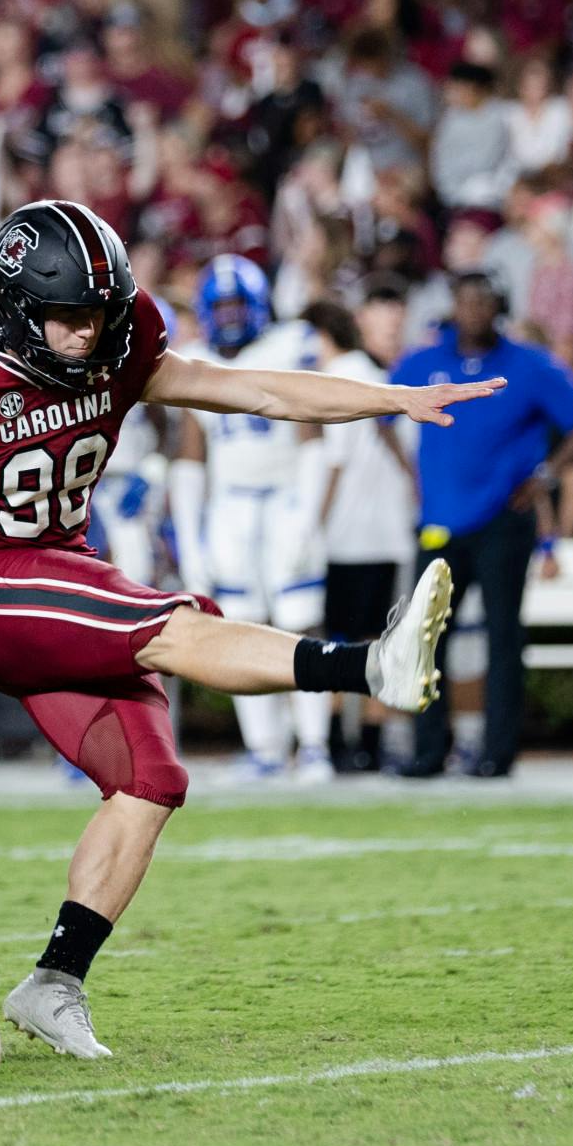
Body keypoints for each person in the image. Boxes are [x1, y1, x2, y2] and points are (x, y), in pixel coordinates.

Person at [0, 201, 499, 1058]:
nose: (90, 334)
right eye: (68, 316)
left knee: (151, 779)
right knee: (167, 622)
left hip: (63, 568)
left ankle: (55, 980)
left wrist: (389, 397)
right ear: (16, 311)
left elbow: (254, 390)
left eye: (101, 312)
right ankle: (366, 666)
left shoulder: (125, 338)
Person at [390, 270, 573, 779]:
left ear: (499, 307)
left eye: (485, 301)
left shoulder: (527, 364)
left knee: (504, 636)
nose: (476, 310)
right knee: (426, 636)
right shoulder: (426, 360)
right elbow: (380, 407)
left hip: (505, 518)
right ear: (453, 306)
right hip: (439, 521)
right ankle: (428, 750)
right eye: (467, 300)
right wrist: (408, 470)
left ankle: (497, 752)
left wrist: (544, 474)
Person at [169, 255, 335, 783]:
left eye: (240, 304)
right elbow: (190, 461)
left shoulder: (288, 348)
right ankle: (263, 747)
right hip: (232, 507)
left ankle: (313, 746)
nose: (233, 316)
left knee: (300, 619)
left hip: (286, 498)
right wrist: (191, 544)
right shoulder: (192, 360)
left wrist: (309, 517)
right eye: (223, 307)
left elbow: (313, 442)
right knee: (238, 624)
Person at [316, 296, 419, 775]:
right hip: (376, 529)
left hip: (357, 530)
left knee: (346, 638)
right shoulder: (367, 373)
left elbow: (335, 460)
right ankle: (368, 744)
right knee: (377, 638)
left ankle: (343, 742)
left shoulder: (352, 372)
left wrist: (314, 522)